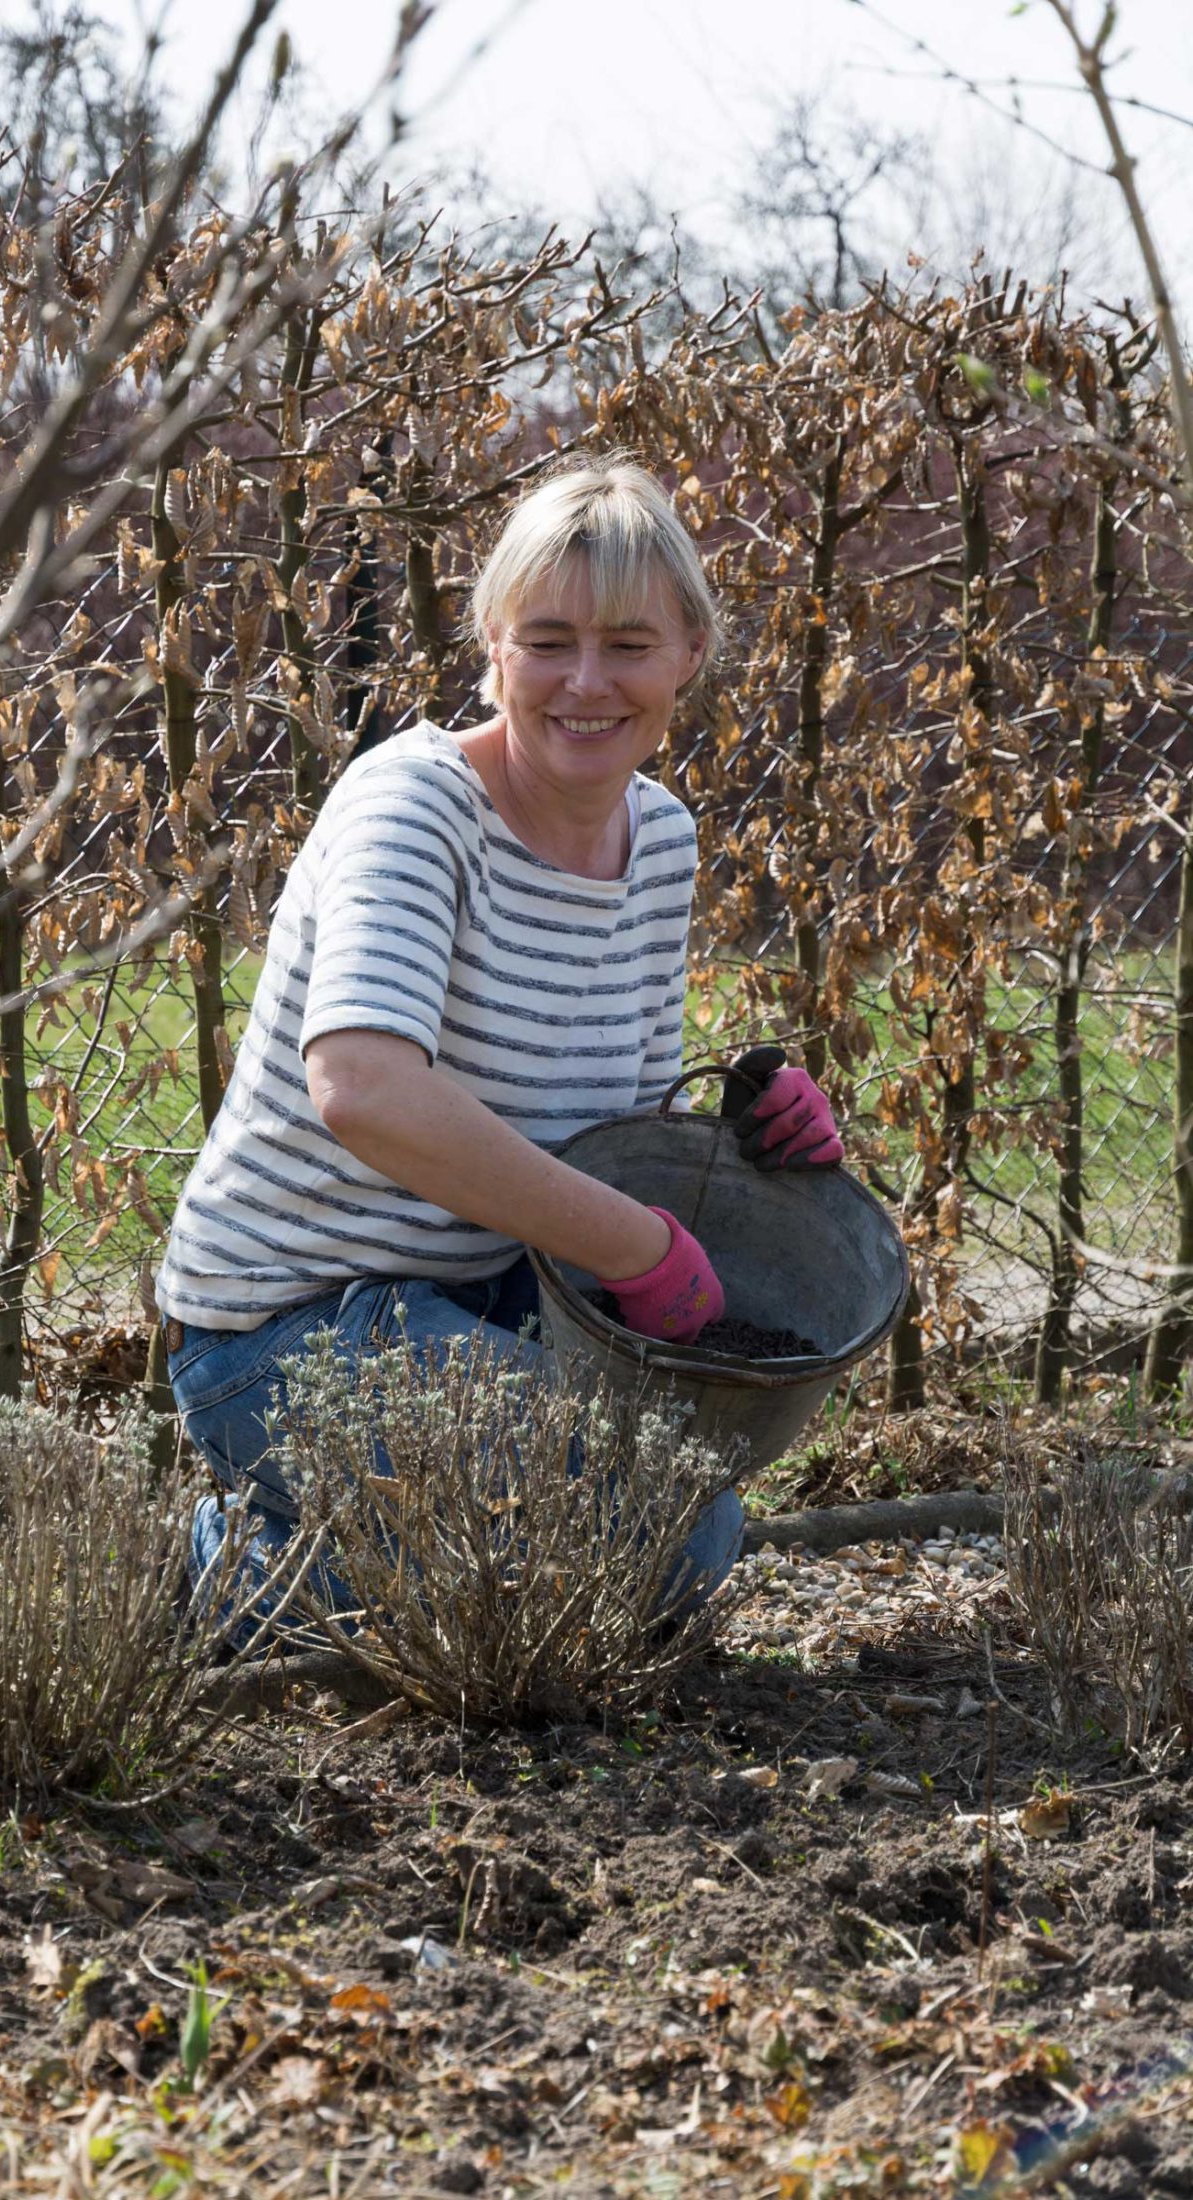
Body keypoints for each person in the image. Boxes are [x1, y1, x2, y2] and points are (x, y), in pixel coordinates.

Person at [155, 456, 843, 1607]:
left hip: (490, 1299)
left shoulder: (658, 840)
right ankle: (233, 1570)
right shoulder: (414, 809)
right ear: (491, 645)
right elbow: (363, 1088)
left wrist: (744, 1140)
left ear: (690, 656)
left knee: (674, 1520)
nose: (586, 681)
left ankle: (354, 1573)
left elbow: (599, 1139)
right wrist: (635, 1245)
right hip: (284, 1332)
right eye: (548, 639)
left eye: (629, 644)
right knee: (662, 1538)